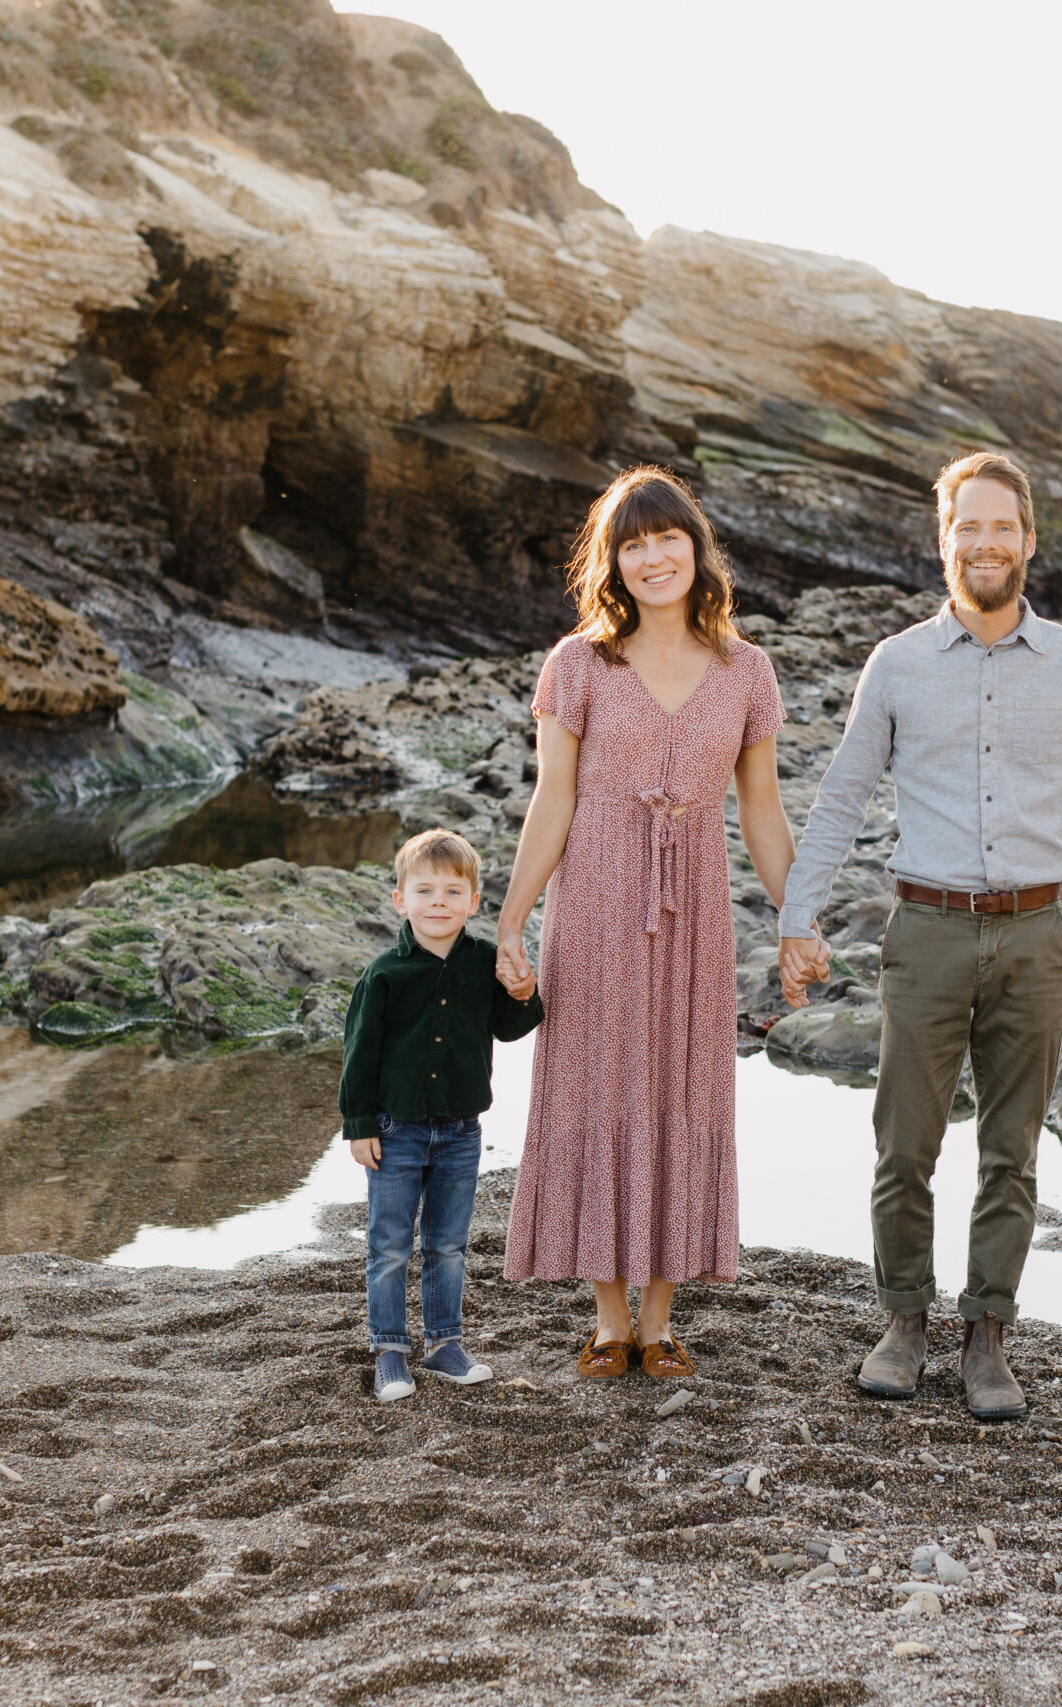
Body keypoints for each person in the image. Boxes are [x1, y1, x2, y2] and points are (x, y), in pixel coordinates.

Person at [777, 450, 1062, 1422]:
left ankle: (988, 1337)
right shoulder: (896, 663)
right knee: (903, 1145)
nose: (984, 543)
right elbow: (843, 795)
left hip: (1036, 936)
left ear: (1027, 540)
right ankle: (904, 1323)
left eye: (1001, 527)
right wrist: (795, 916)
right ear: (944, 541)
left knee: (1012, 1151)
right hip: (928, 930)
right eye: (966, 527)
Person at [495, 465, 797, 1381]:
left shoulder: (748, 670)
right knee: (594, 1088)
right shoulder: (577, 664)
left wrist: (800, 919)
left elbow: (764, 814)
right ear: (613, 563)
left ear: (697, 548)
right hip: (590, 903)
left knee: (682, 1090)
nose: (654, 556)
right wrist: (510, 923)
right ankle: (608, 1317)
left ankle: (661, 1321)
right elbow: (552, 801)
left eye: (668, 538)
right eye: (633, 544)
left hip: (696, 911)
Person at [340, 828, 544, 1403]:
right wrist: (358, 1126)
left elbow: (511, 1027)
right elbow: (359, 1055)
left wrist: (523, 989)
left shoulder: (483, 962)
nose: (438, 903)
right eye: (424, 891)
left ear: (474, 903)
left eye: (453, 893)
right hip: (394, 1130)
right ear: (400, 900)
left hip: (460, 1132)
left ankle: (445, 1345)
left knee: (448, 1244)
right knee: (389, 1245)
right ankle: (389, 1351)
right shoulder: (384, 974)